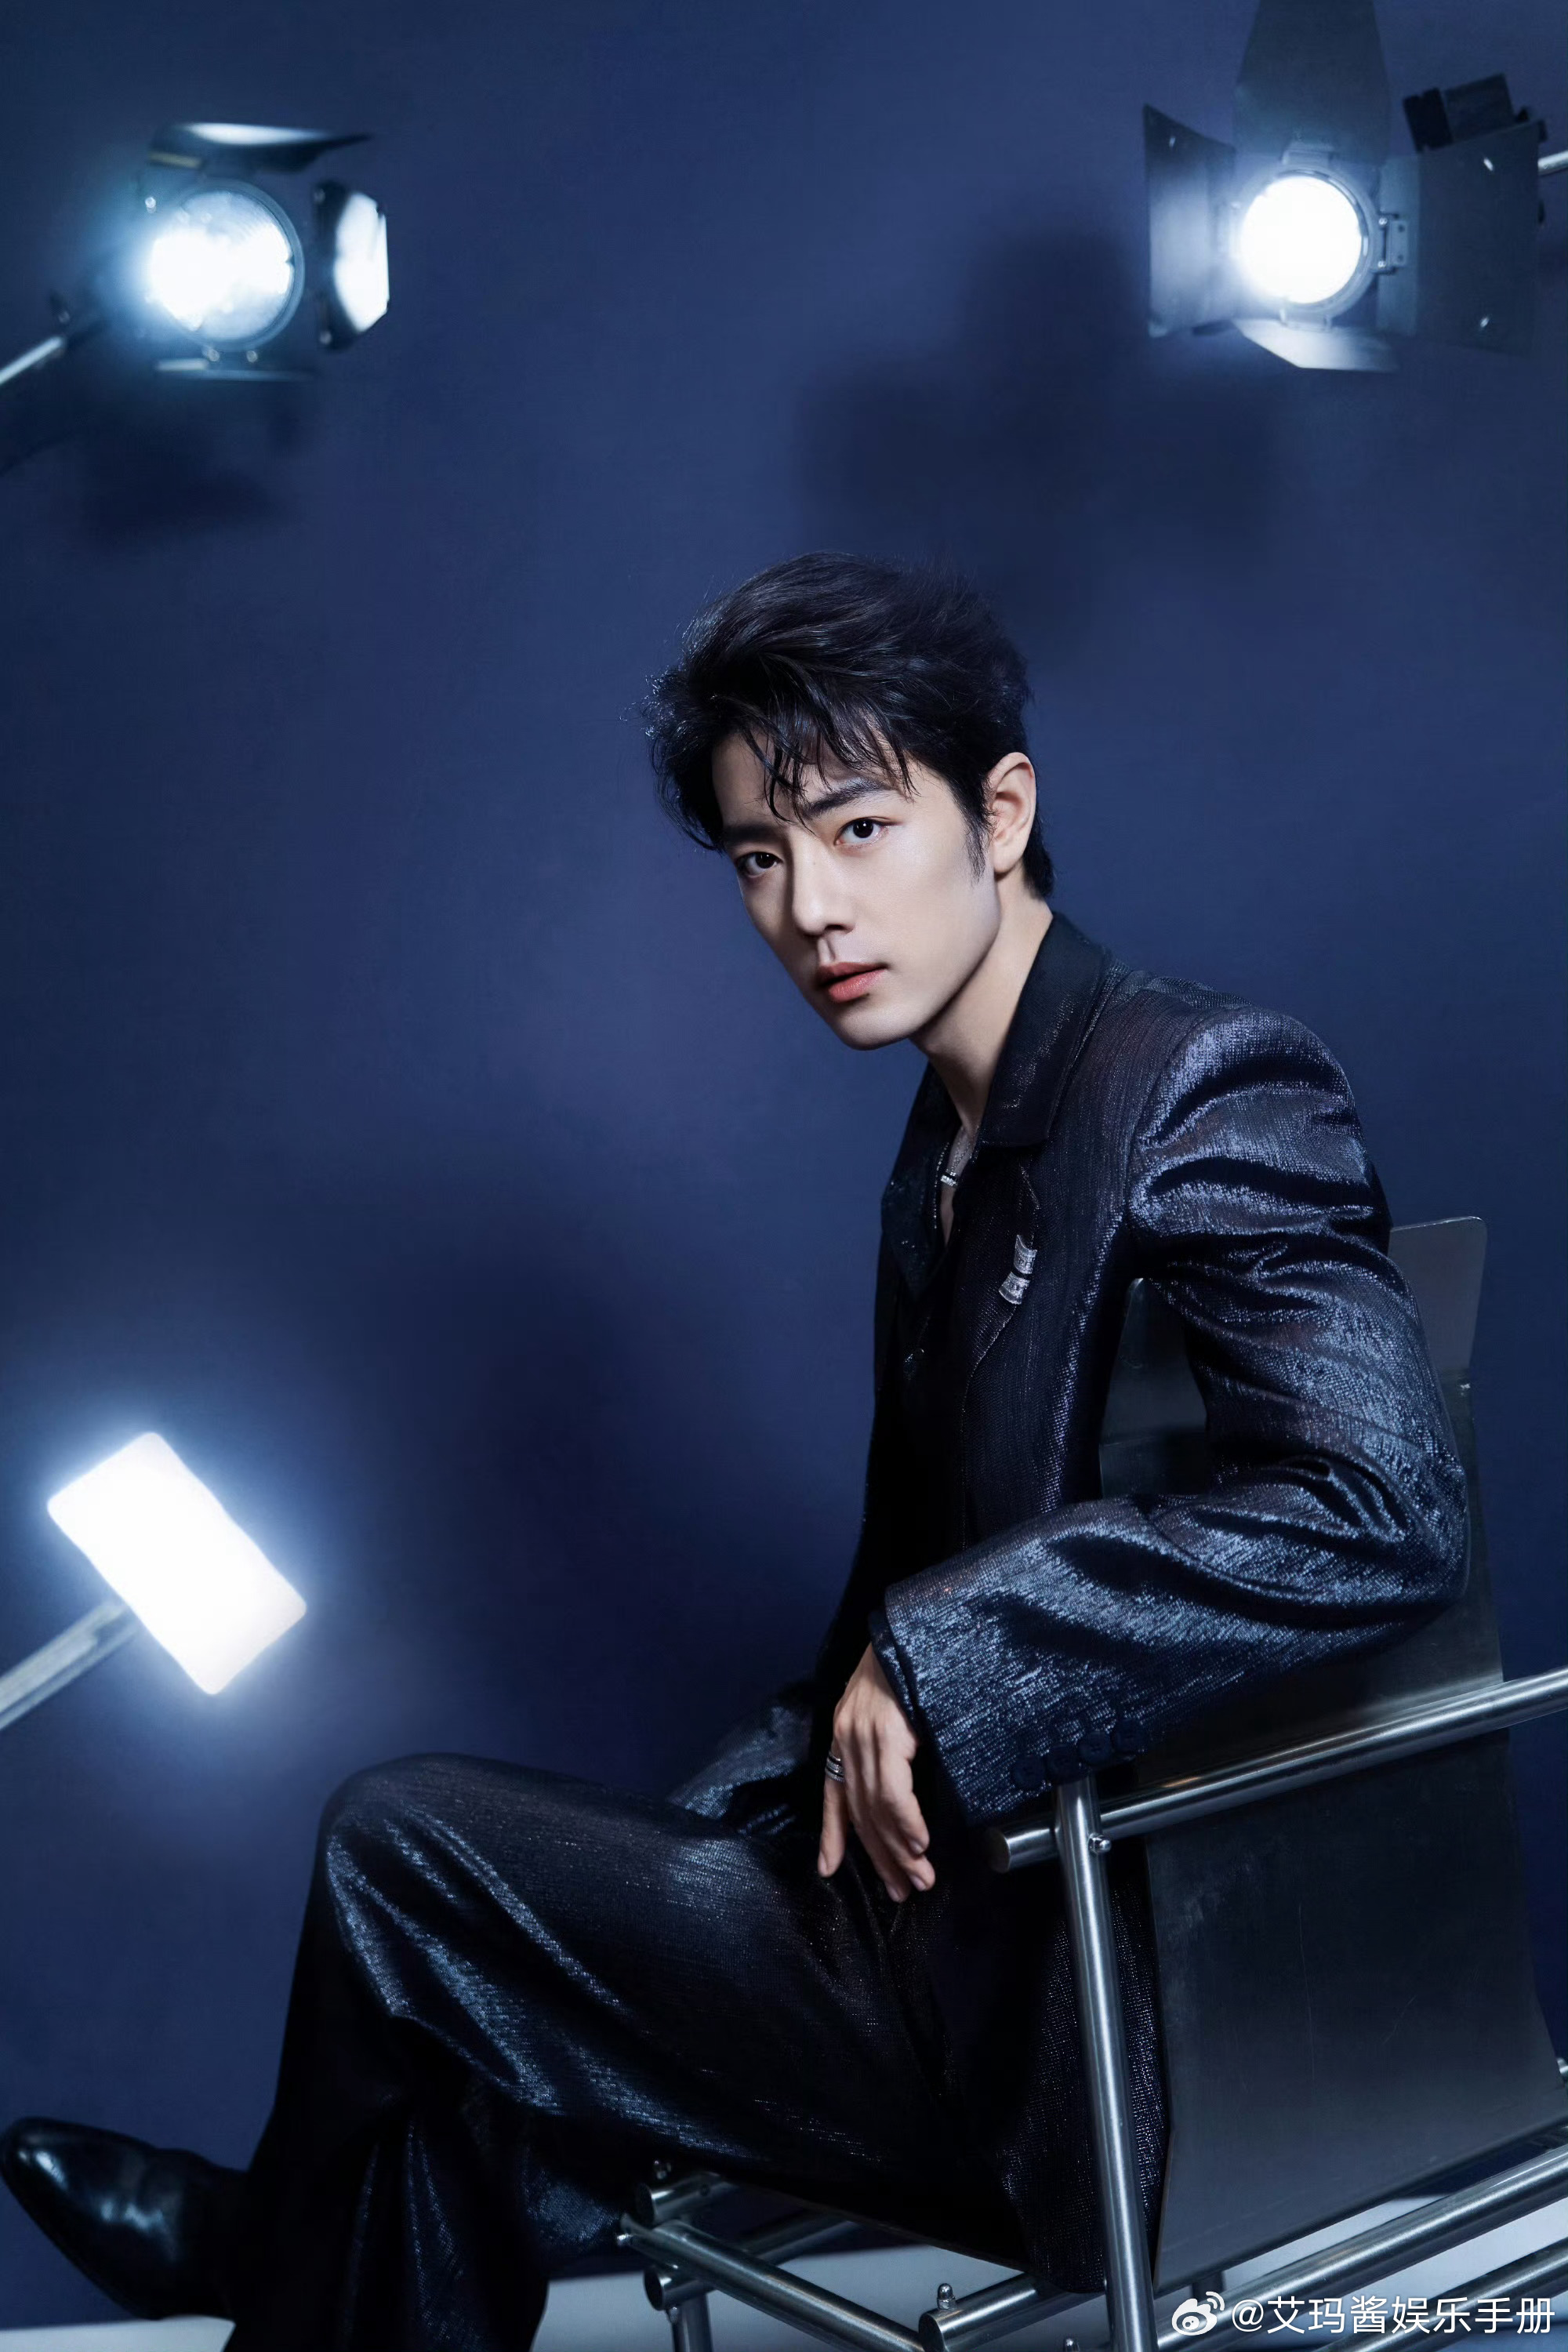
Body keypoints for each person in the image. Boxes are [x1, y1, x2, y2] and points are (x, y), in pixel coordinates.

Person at [2, 554, 1468, 2347]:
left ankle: (274, 2244)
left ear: (1001, 814)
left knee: (401, 1854)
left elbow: (1380, 1505)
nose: (808, 909)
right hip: (927, 1931)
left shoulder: (1196, 1082)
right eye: (760, 859)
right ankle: (296, 2246)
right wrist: (691, 1837)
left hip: (1096, 2006)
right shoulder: (941, 1159)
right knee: (472, 1954)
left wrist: (949, 1655)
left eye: (857, 830)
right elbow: (864, 1637)